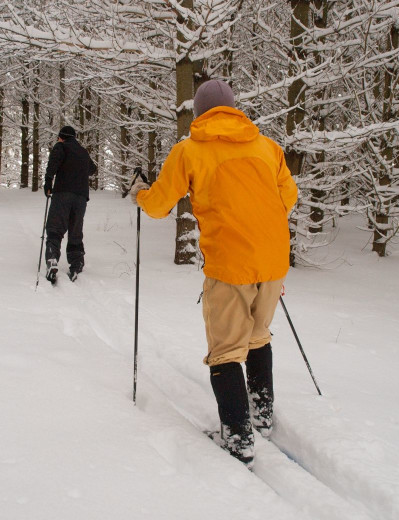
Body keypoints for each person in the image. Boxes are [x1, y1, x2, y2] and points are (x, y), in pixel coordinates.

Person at [129, 79, 298, 468]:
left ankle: (239, 439)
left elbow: (158, 206)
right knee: (258, 337)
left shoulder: (189, 150)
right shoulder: (267, 146)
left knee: (224, 351)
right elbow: (287, 196)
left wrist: (139, 192)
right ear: (234, 108)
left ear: (201, 113)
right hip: (272, 260)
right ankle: (262, 417)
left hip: (230, 263)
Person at [43, 126, 97, 284]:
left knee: (55, 228)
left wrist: (48, 183)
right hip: (81, 198)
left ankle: (52, 260)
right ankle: (76, 264)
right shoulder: (83, 152)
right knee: (75, 230)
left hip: (62, 194)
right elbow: (92, 169)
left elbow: (52, 165)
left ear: (61, 137)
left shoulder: (61, 147)